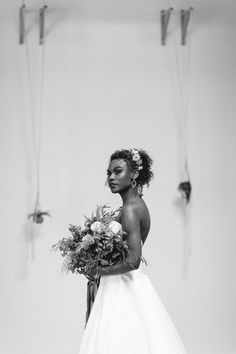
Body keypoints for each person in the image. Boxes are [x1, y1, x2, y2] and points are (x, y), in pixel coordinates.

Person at [78, 148, 188, 354]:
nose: (111, 177)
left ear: (134, 174)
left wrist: (97, 270)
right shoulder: (133, 205)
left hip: (123, 289)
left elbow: (133, 261)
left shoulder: (130, 209)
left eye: (117, 171)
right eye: (108, 173)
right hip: (118, 285)